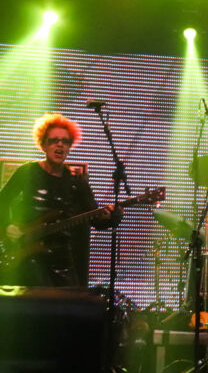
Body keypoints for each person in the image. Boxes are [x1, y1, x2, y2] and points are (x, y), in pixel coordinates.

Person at [0, 113, 122, 287]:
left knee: (66, 308)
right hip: (26, 256)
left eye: (65, 141)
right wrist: (7, 227)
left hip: (61, 260)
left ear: (70, 147)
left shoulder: (76, 181)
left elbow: (95, 220)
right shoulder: (26, 172)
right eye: (54, 140)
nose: (60, 145)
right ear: (43, 144)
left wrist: (113, 216)